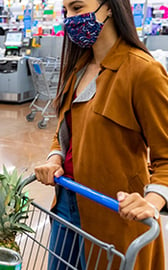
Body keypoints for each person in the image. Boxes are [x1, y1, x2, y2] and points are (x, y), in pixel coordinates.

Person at [34, 0, 168, 269]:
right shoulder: (78, 68)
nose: (70, 18)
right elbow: (65, 132)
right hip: (66, 203)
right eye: (66, 12)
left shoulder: (143, 71)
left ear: (110, 7)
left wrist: (151, 202)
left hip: (114, 213)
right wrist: (55, 158)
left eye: (77, 7)